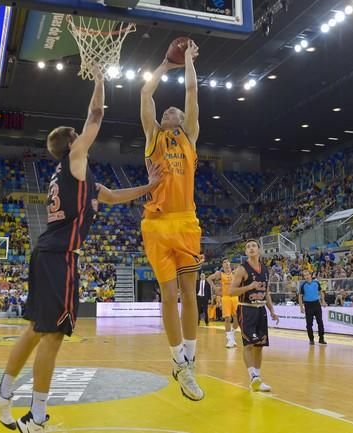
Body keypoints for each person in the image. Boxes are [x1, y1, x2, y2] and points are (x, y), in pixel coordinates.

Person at [0, 66, 166, 433]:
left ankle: (2, 394)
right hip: (61, 255)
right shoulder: (74, 159)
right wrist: (100, 79)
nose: (83, 136)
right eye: (77, 135)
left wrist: (148, 187)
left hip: (47, 252)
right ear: (72, 143)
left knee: (36, 329)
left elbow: (112, 197)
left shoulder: (77, 177)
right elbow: (96, 115)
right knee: (52, 335)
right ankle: (36, 417)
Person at [139, 39, 205, 401]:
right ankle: (177, 360)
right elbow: (145, 95)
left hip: (186, 222)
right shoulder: (153, 137)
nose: (169, 112)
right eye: (166, 113)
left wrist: (190, 61)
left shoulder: (189, 138)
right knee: (168, 295)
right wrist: (166, 65)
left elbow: (192, 93)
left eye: (174, 112)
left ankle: (190, 359)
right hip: (157, 223)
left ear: (183, 121)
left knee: (189, 294)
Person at [229, 239, 279, 392]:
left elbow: (267, 292)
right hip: (246, 309)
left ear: (259, 250)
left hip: (261, 310)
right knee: (249, 344)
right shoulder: (242, 269)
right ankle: (253, 377)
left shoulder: (265, 269)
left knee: (259, 346)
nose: (251, 248)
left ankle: (257, 378)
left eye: (253, 246)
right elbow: (231, 291)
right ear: (246, 252)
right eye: (248, 247)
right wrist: (249, 286)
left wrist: (272, 310)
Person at [207, 259, 240, 348]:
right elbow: (209, 278)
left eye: (227, 262)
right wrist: (215, 288)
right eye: (224, 262)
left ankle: (232, 334)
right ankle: (229, 339)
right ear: (223, 265)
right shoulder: (220, 274)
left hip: (235, 297)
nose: (226, 263)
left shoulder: (235, 273)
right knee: (227, 318)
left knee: (237, 318)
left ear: (230, 264)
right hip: (225, 298)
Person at [298, 270, 327, 345]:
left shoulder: (316, 283)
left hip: (316, 304)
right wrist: (301, 307)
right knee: (309, 324)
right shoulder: (303, 285)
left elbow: (321, 292)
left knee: (320, 322)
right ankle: (311, 339)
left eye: (307, 275)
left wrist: (323, 301)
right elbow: (300, 297)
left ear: (310, 275)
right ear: (304, 277)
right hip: (308, 305)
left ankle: (321, 338)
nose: (306, 276)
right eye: (305, 275)